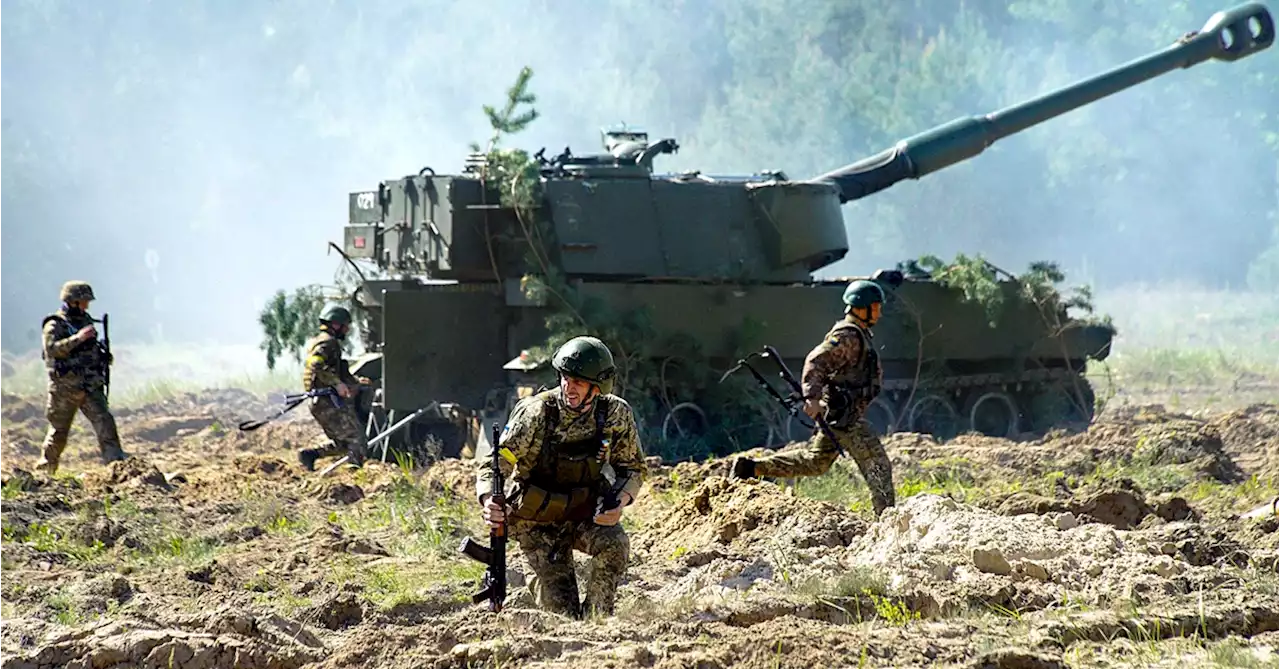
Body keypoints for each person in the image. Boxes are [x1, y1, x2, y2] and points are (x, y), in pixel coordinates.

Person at [477, 335, 648, 618]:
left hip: (583, 513)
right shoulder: (535, 413)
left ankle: (598, 619)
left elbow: (632, 468)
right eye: (565, 378)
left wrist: (619, 502)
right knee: (563, 616)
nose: (569, 387)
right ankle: (536, 582)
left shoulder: (615, 414)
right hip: (538, 524)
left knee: (615, 545)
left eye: (579, 382)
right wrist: (488, 500)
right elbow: (496, 463)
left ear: (598, 387)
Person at [729, 279, 897, 516]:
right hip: (845, 417)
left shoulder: (859, 334)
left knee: (815, 461)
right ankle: (888, 521)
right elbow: (816, 361)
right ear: (861, 308)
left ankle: (751, 468)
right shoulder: (848, 336)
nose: (879, 312)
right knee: (878, 466)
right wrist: (812, 397)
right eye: (875, 307)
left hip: (840, 414)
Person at [35, 281, 129, 474]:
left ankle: (117, 467)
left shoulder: (85, 320)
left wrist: (102, 356)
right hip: (65, 389)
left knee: (105, 424)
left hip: (89, 386)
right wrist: (78, 338)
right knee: (58, 432)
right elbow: (52, 350)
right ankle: (44, 473)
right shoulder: (55, 324)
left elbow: (89, 351)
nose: (87, 305)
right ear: (72, 301)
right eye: (83, 301)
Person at [297, 304, 369, 471]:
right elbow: (315, 364)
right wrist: (337, 384)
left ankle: (311, 455)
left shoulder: (322, 341)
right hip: (327, 401)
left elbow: (336, 369)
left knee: (345, 443)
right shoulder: (328, 343)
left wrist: (355, 382)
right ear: (336, 325)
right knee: (357, 441)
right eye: (345, 326)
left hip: (322, 401)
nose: (347, 330)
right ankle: (354, 478)